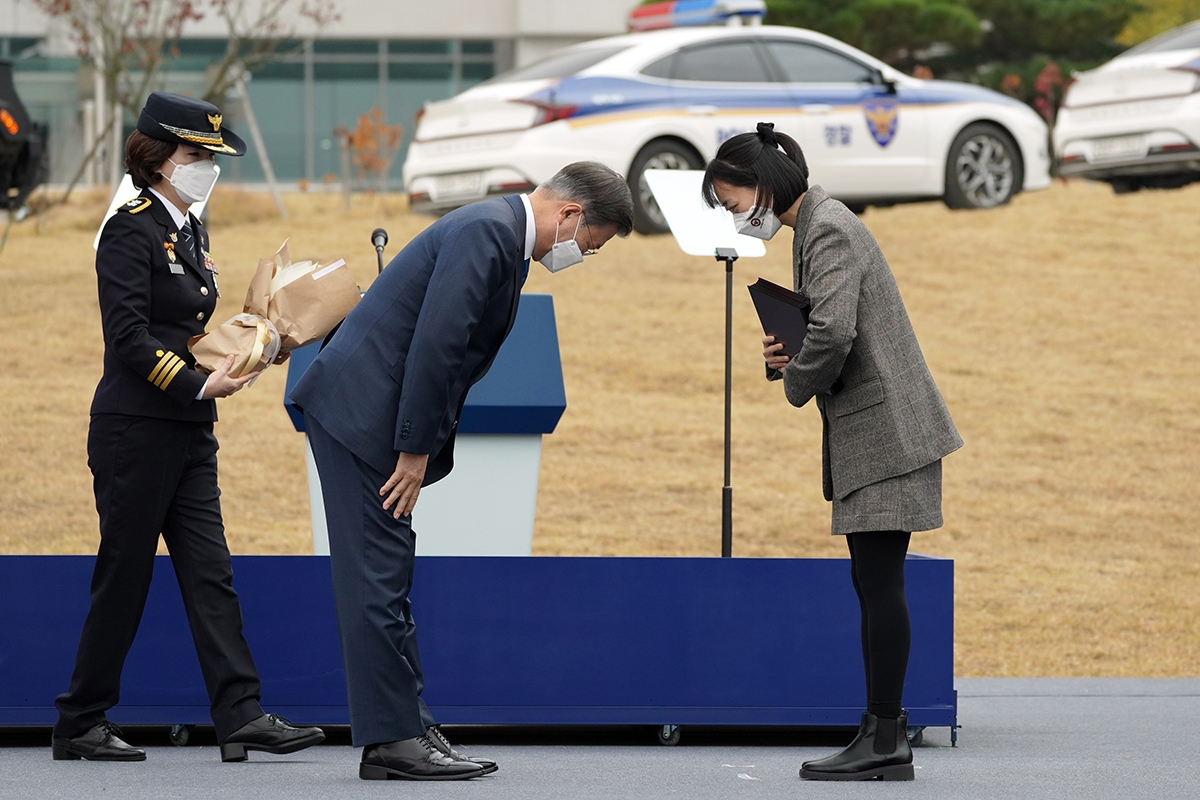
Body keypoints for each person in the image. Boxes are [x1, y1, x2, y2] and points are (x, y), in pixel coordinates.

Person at [290, 161, 634, 781]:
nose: (584, 255)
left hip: (370, 417)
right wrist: (415, 450)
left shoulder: (502, 235)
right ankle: (393, 741)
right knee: (376, 578)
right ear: (571, 215)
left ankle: (408, 724)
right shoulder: (489, 232)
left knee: (386, 571)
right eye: (590, 244)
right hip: (361, 418)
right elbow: (438, 345)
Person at [53, 92, 324, 764]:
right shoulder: (129, 228)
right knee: (126, 574)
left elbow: (189, 331)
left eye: (209, 156)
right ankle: (80, 720)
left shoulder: (188, 230)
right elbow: (129, 339)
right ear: (160, 158)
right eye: (197, 154)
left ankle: (240, 715)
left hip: (188, 428)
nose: (207, 166)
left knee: (211, 571)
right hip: (135, 428)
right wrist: (198, 380)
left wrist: (261, 341)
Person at [702, 122, 963, 782]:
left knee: (879, 585)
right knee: (873, 582)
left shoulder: (829, 227)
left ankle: (884, 739)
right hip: (880, 433)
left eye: (733, 205)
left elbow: (837, 331)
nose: (737, 219)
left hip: (889, 436)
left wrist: (793, 378)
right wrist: (787, 348)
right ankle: (883, 732)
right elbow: (825, 323)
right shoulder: (816, 223)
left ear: (761, 188)